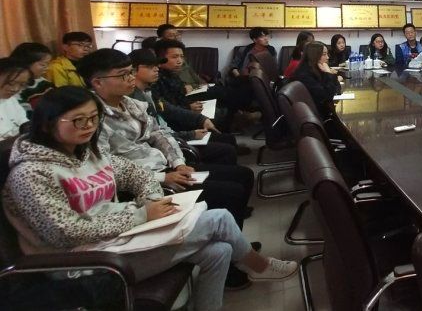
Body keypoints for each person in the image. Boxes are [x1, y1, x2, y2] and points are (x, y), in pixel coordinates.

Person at [2, 87, 297, 310]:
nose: (89, 127)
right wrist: (141, 215)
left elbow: (136, 174)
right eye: (78, 121)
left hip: (118, 238)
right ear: (46, 124)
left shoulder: (87, 153)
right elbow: (64, 232)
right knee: (218, 219)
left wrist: (150, 201)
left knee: (218, 251)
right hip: (83, 262)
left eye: (93, 118)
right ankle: (260, 266)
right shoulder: (30, 173)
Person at [77, 49, 256, 255]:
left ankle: (236, 245)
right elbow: (104, 167)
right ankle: (234, 255)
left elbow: (159, 133)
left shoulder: (130, 103)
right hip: (146, 184)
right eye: (123, 75)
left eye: (131, 72)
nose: (131, 78)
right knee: (231, 192)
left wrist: (179, 162)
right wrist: (164, 178)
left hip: (165, 167)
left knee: (244, 175)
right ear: (97, 82)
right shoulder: (91, 117)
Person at [129, 49, 239, 166]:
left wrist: (200, 119)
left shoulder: (148, 91)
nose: (156, 69)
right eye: (150, 67)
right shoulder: (134, 99)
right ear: (134, 71)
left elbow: (169, 109)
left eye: (156, 65)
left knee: (227, 140)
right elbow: (153, 135)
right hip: (163, 149)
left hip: (171, 137)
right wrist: (190, 134)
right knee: (228, 151)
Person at [291, 42, 342, 119]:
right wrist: (328, 72)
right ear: (314, 55)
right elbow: (327, 95)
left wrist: (331, 79)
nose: (327, 57)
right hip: (315, 115)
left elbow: (336, 87)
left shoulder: (316, 67)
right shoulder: (304, 73)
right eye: (324, 54)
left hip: (321, 109)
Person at [10, 42, 54, 111]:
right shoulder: (15, 90)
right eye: (43, 65)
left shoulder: (42, 82)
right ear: (26, 63)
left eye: (48, 64)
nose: (47, 68)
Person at [1, 58, 31, 139]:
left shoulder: (11, 100)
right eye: (11, 83)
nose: (15, 89)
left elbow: (23, 122)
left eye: (22, 85)